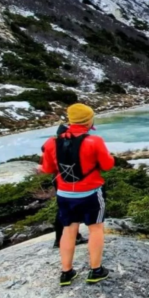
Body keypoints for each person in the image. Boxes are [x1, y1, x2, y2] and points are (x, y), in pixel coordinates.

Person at [41, 103, 115, 286]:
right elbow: (107, 165)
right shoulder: (94, 141)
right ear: (89, 120)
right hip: (90, 192)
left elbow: (47, 168)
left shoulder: (52, 142)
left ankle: (66, 272)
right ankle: (96, 270)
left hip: (65, 194)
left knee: (68, 229)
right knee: (95, 227)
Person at [43, 124, 88, 249]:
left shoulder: (56, 144)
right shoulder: (68, 144)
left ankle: (67, 237)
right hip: (66, 180)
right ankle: (63, 238)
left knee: (67, 209)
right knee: (68, 209)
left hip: (60, 179)